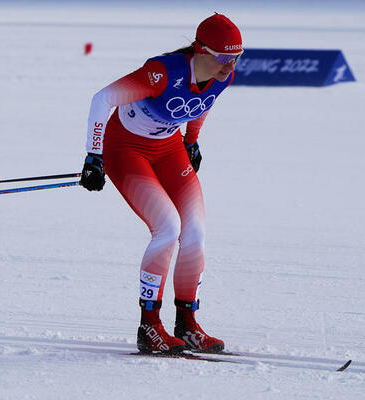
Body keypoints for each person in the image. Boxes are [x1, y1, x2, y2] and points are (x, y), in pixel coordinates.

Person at [79, 13, 243, 354]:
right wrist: (94, 156)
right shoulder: (162, 73)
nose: (230, 67)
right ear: (201, 50)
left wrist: (192, 140)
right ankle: (149, 327)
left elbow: (201, 104)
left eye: (236, 58)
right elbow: (102, 99)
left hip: (168, 148)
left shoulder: (222, 77)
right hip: (126, 150)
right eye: (224, 58)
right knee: (167, 228)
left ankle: (187, 323)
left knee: (195, 230)